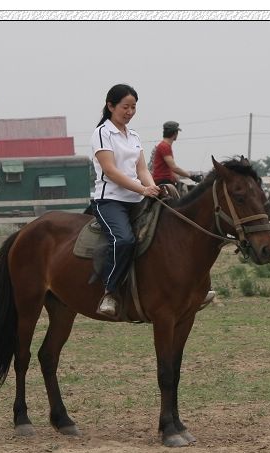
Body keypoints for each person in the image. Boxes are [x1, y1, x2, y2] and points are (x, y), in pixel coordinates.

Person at [90, 84, 162, 317]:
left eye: (133, 107)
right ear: (111, 106)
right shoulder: (102, 133)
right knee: (124, 241)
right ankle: (109, 293)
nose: (130, 112)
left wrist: (150, 186)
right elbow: (111, 171)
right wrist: (143, 189)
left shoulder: (134, 136)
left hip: (136, 198)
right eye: (125, 107)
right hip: (110, 200)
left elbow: (141, 168)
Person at [150, 121, 202, 193]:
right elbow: (174, 168)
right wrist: (191, 176)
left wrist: (178, 180)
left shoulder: (164, 146)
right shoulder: (164, 146)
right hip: (163, 181)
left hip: (165, 180)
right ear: (175, 133)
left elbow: (171, 170)